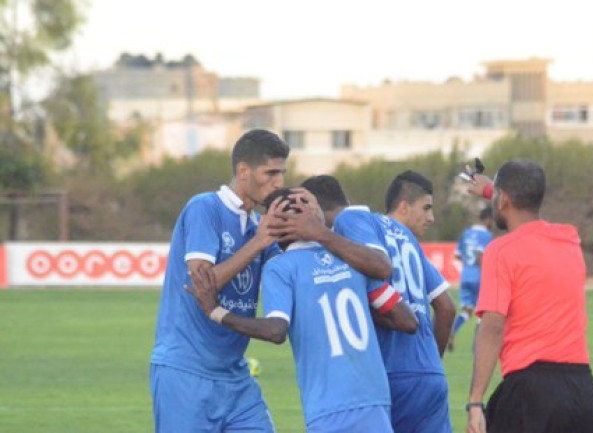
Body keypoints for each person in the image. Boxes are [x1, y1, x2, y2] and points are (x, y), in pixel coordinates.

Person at [186, 188, 419, 433]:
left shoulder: (281, 267)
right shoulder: (352, 258)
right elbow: (407, 320)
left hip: (328, 405)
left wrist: (216, 312)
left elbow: (276, 330)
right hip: (375, 396)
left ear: (276, 229)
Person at [149, 129, 289, 433]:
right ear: (243, 171)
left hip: (235, 377)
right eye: (271, 173)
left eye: (283, 173)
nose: (279, 182)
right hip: (186, 371)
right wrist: (258, 243)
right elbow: (202, 284)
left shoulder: (258, 226)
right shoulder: (205, 208)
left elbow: (289, 273)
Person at [301, 172, 456, 433]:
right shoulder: (405, 235)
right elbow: (446, 307)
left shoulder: (348, 220)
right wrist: (430, 363)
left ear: (314, 208)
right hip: (431, 376)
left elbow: (378, 265)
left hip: (390, 373)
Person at [465, 160, 593, 433]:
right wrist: (495, 192)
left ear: (503, 200)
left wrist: (475, 402)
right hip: (581, 390)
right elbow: (529, 216)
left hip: (530, 391)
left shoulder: (500, 251)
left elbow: (492, 328)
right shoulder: (569, 239)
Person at [449, 207, 494, 351]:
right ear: (489, 220)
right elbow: (481, 254)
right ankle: (478, 345)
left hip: (466, 276)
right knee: (483, 312)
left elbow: (457, 256)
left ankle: (452, 331)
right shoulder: (486, 235)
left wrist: (468, 266)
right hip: (480, 276)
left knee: (466, 310)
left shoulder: (466, 233)